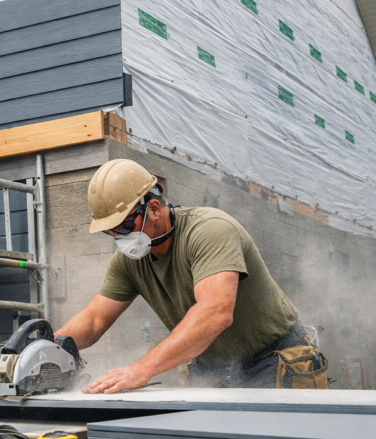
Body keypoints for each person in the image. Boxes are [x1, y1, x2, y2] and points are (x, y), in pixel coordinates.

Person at [54, 158, 327, 391]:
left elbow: (216, 312)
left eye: (124, 225)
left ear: (153, 209)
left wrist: (142, 368)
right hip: (211, 366)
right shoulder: (128, 262)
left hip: (273, 359)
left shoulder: (210, 231)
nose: (118, 237)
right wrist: (45, 348)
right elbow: (94, 319)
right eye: (110, 231)